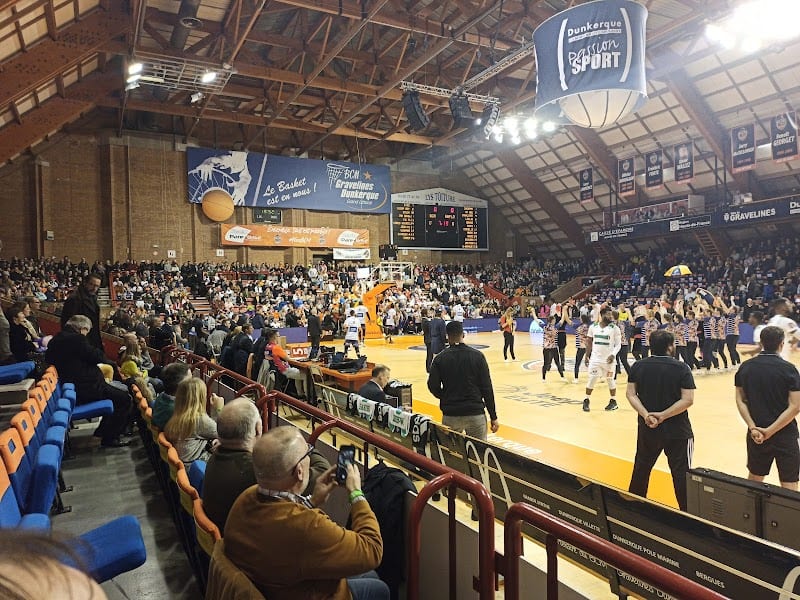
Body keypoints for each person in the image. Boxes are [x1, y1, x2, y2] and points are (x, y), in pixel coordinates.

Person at [224, 426, 388, 600]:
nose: (310, 456)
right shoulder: (307, 527)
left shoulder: (245, 498)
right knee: (379, 588)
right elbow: (372, 550)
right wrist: (356, 493)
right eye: (308, 452)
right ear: (299, 472)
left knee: (368, 575)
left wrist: (311, 501)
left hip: (275, 584)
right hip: (304, 591)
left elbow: (283, 526)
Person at [626, 330, 695, 510]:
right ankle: (688, 515)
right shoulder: (682, 368)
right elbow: (687, 399)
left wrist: (646, 414)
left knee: (642, 466)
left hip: (648, 427)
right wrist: (662, 415)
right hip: (678, 430)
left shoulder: (638, 366)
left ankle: (633, 509)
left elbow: (631, 394)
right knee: (681, 474)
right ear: (670, 346)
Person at [45, 315, 131, 447]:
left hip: (73, 386)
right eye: (87, 332)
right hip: (87, 387)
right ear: (82, 328)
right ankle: (110, 438)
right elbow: (97, 356)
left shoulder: (55, 340)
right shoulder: (77, 339)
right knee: (124, 399)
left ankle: (102, 432)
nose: (86, 335)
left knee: (119, 395)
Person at [735, 326, 800, 490]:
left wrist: (753, 427)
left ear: (761, 342)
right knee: (789, 484)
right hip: (785, 433)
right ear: (781, 344)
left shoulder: (746, 367)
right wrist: (770, 431)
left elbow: (740, 400)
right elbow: (795, 406)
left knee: (754, 480)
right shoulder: (789, 370)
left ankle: (749, 515)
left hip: (756, 433)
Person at [427, 320, 499, 440]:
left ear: (447, 336)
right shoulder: (478, 356)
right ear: (463, 335)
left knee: (451, 454)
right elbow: (487, 388)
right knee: (478, 454)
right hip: (475, 413)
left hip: (451, 414)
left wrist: (445, 396)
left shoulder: (440, 358)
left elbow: (432, 385)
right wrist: (493, 416)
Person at [164, 377, 224, 464]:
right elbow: (224, 434)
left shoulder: (179, 415)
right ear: (201, 398)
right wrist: (218, 409)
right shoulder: (199, 420)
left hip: (186, 465)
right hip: (196, 466)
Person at [583, 306, 622, 412]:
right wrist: (587, 355)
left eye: (611, 314)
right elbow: (589, 342)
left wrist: (613, 354)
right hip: (595, 359)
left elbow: (619, 345)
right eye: (608, 314)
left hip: (609, 361)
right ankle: (586, 400)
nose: (610, 316)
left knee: (610, 380)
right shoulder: (593, 327)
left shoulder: (615, 328)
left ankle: (613, 401)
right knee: (592, 379)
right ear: (602, 315)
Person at [60, 274, 103, 349]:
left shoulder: (92, 298)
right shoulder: (74, 299)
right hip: (78, 341)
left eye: (97, 286)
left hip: (90, 338)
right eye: (91, 284)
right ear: (85, 283)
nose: (94, 288)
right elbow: (69, 323)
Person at [263, 329, 308, 399]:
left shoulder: (267, 347)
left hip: (276, 371)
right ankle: (307, 396)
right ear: (274, 337)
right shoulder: (276, 347)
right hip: (284, 370)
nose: (279, 337)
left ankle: (300, 394)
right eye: (278, 336)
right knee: (305, 375)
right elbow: (288, 359)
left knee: (299, 372)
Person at [151, 362, 192, 429]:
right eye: (190, 381)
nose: (193, 383)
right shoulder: (176, 410)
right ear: (179, 385)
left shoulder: (161, 396)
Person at [768, 298, 799, 362]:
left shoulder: (772, 320)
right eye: (788, 303)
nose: (791, 305)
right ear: (782, 307)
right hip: (781, 360)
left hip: (768, 359)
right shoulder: (786, 321)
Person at [541, 315, 564, 381]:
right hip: (553, 347)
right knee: (557, 362)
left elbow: (537, 320)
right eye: (554, 320)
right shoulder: (555, 327)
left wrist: (533, 313)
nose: (555, 321)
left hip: (546, 348)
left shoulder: (544, 326)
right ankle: (562, 376)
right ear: (552, 321)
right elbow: (561, 321)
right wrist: (564, 313)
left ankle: (543, 378)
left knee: (545, 363)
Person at [573, 314, 590, 383]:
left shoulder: (579, 327)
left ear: (582, 319)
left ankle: (576, 378)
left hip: (581, 346)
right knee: (592, 362)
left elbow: (572, 324)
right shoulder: (589, 327)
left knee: (577, 363)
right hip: (588, 346)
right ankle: (598, 376)